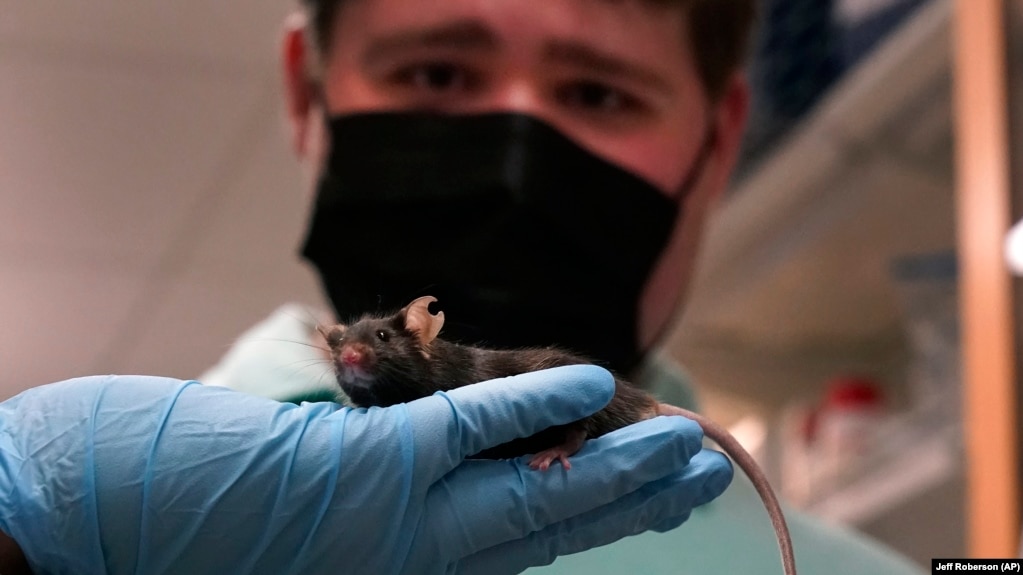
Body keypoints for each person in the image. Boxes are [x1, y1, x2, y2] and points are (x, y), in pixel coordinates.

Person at [202, 0, 928, 573]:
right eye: (437, 73)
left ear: (717, 143)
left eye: (596, 91)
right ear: (306, 93)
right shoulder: (136, 512)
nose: (515, 174)